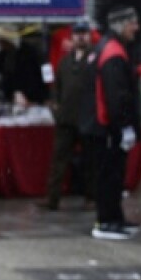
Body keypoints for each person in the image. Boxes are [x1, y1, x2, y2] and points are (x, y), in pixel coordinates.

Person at [89, 6, 141, 240]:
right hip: (109, 127)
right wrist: (124, 126)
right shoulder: (113, 53)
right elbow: (116, 95)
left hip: (105, 126)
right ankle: (106, 221)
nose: (136, 28)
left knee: (113, 174)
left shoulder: (109, 48)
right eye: (133, 23)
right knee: (110, 174)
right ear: (122, 25)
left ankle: (115, 217)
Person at [41, 20, 95, 211]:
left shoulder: (95, 58)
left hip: (87, 118)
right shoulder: (65, 61)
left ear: (89, 36)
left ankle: (91, 198)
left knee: (90, 160)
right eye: (77, 34)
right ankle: (52, 198)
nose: (80, 37)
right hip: (66, 118)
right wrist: (56, 107)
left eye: (84, 33)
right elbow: (57, 87)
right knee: (58, 160)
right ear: (72, 37)